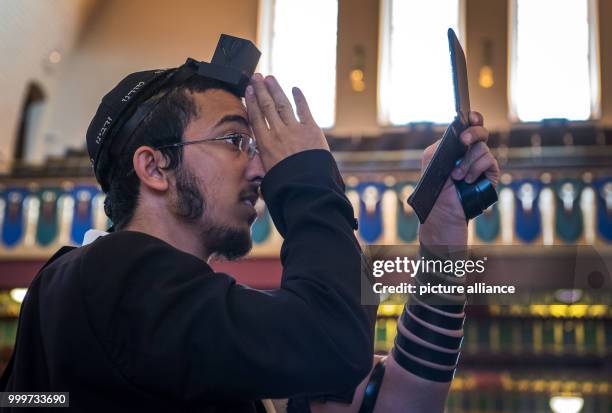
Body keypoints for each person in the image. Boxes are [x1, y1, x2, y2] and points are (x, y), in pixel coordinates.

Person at [0, 61, 498, 412]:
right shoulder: (110, 275)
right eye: (236, 140)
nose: (260, 166)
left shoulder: (179, 317)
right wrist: (307, 176)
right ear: (154, 166)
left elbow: (398, 401)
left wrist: (443, 230)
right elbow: (333, 342)